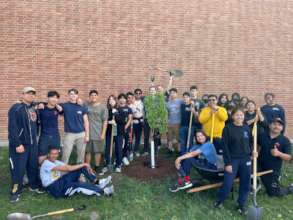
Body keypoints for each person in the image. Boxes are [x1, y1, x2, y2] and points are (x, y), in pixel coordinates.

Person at [214, 108, 253, 215]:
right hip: (233, 160)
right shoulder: (227, 128)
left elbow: (250, 142)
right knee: (228, 183)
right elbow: (225, 147)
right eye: (237, 115)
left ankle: (241, 204)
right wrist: (228, 163)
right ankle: (220, 200)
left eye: (241, 115)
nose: (239, 117)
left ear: (244, 116)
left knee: (245, 183)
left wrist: (252, 153)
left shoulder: (247, 128)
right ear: (233, 116)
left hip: (245, 159)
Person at [8, 87, 43, 203]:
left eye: (33, 94)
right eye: (28, 93)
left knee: (32, 166)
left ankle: (33, 186)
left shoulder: (33, 108)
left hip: (33, 144)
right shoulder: (16, 108)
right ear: (22, 95)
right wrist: (17, 144)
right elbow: (12, 128)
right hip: (20, 145)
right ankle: (15, 191)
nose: (31, 96)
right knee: (18, 169)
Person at [40, 148, 114, 198]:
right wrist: (84, 164)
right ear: (48, 154)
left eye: (56, 154)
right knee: (78, 185)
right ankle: (103, 191)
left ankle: (98, 182)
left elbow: (69, 166)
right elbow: (68, 168)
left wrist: (82, 166)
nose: (54, 156)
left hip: (60, 181)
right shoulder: (46, 163)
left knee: (80, 168)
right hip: (55, 189)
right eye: (52, 154)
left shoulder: (56, 162)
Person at [258, 118, 293, 197]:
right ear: (270, 125)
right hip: (258, 165)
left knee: (273, 193)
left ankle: (290, 188)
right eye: (274, 124)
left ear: (282, 128)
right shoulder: (262, 136)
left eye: (279, 125)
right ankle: (255, 185)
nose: (276, 126)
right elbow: (258, 146)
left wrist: (279, 153)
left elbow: (289, 158)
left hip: (272, 170)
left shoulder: (285, 140)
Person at [60, 89, 89, 164]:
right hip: (69, 134)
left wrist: (87, 135)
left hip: (81, 134)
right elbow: (54, 105)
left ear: (77, 95)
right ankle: (63, 173)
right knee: (65, 154)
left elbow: (86, 121)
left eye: (75, 94)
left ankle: (80, 173)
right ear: (69, 95)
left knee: (81, 155)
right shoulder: (65, 106)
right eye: (71, 94)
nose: (73, 95)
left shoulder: (82, 106)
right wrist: (41, 104)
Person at [84, 90, 108, 173]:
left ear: (97, 96)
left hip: (98, 133)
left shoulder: (102, 107)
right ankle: (87, 167)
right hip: (88, 133)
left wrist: (103, 133)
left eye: (95, 95)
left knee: (98, 151)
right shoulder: (86, 105)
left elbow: (105, 121)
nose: (93, 96)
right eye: (92, 95)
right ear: (89, 97)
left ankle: (97, 167)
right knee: (88, 151)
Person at [38, 91, 63, 165]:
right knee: (42, 157)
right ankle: (40, 172)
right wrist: (40, 103)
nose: (54, 99)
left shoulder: (58, 108)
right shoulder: (41, 108)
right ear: (48, 98)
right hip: (44, 136)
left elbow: (63, 111)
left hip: (55, 136)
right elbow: (32, 103)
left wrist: (61, 110)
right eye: (52, 97)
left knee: (54, 155)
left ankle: (51, 172)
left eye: (56, 98)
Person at [115, 93, 133, 172]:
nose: (122, 99)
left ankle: (124, 157)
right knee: (119, 146)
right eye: (120, 98)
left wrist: (125, 127)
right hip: (118, 131)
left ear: (126, 100)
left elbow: (130, 119)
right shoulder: (116, 109)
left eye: (124, 98)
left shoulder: (128, 108)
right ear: (118, 100)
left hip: (126, 130)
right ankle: (118, 164)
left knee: (126, 144)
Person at [101, 95, 118, 175]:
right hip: (109, 132)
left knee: (117, 148)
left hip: (117, 132)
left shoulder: (118, 109)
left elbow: (121, 119)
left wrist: (116, 121)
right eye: (109, 99)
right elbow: (103, 120)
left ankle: (117, 163)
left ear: (115, 100)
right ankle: (107, 163)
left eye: (113, 99)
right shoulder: (107, 110)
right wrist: (108, 122)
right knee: (108, 148)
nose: (111, 101)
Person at [166, 88, 182, 152]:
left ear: (176, 94)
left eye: (173, 93)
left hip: (177, 122)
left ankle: (179, 149)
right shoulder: (168, 103)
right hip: (170, 122)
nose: (172, 94)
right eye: (171, 93)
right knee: (169, 137)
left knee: (178, 137)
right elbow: (166, 113)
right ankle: (170, 149)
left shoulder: (180, 102)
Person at [132, 88, 144, 157]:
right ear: (135, 94)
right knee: (131, 137)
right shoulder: (132, 101)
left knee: (138, 137)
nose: (138, 94)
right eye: (137, 93)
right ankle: (130, 150)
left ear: (141, 94)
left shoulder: (143, 102)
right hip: (133, 121)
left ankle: (136, 150)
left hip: (140, 121)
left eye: (139, 93)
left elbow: (143, 112)